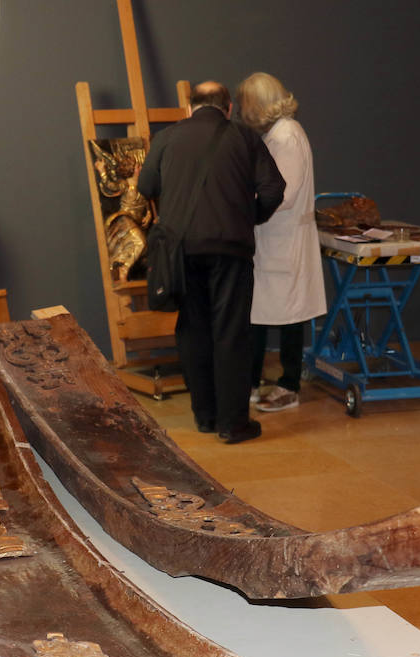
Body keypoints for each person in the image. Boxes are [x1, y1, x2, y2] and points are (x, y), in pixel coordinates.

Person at [138, 81, 286, 443]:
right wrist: (246, 216)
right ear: (229, 107)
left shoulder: (166, 138)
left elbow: (145, 186)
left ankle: (204, 415)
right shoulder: (245, 138)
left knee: (193, 330)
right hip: (230, 250)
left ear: (189, 108)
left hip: (181, 252)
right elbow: (273, 189)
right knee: (231, 333)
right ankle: (233, 424)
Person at [235, 72, 326, 412]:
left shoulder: (286, 136)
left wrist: (243, 204)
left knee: (286, 315)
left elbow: (281, 194)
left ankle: (287, 384)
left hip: (283, 236)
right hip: (278, 237)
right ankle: (256, 380)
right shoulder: (281, 134)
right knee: (268, 312)